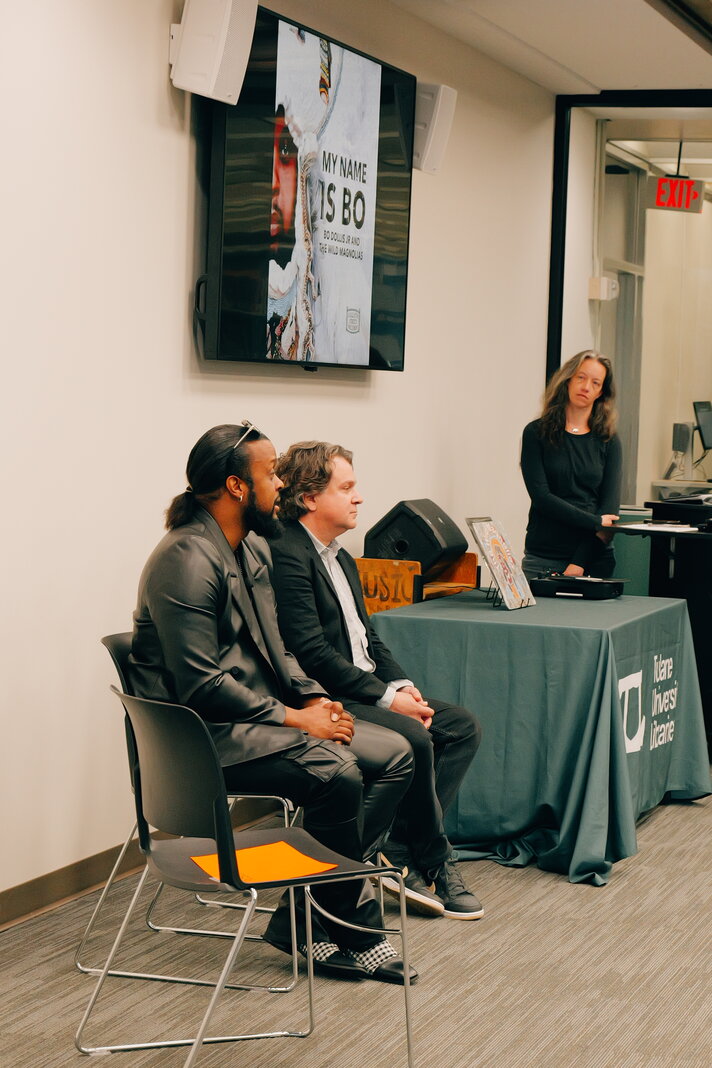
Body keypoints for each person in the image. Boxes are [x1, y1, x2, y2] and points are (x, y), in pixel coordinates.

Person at [129, 423, 416, 983]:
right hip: (201, 739)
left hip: (256, 718)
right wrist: (296, 717)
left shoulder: (251, 546)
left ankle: (299, 920)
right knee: (340, 775)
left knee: (396, 756)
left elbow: (275, 647)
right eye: (271, 474)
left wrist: (315, 698)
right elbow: (200, 685)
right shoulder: (185, 559)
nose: (281, 483)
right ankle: (350, 926)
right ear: (237, 487)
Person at [270, 441, 485, 921]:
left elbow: (369, 639)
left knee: (461, 727)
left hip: (364, 687)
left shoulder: (341, 557)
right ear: (308, 497)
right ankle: (437, 860)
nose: (358, 498)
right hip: (325, 697)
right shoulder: (287, 554)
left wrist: (402, 686)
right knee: (412, 734)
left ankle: (400, 852)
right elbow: (311, 653)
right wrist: (389, 701)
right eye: (346, 488)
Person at [520, 350, 622, 580]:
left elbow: (609, 515)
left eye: (595, 382)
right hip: (543, 558)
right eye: (581, 377)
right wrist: (594, 521)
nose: (586, 386)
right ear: (567, 380)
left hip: (593, 559)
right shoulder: (536, 433)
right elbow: (542, 497)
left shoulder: (609, 440)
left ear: (601, 392)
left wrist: (579, 563)